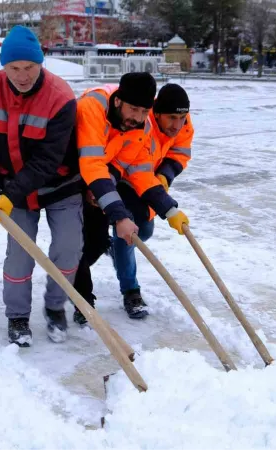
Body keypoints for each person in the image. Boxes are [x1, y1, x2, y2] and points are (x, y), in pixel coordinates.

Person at [0, 26, 81, 347]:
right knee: (20, 254)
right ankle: (18, 316)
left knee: (67, 247)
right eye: (13, 68)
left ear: (41, 64)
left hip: (59, 184)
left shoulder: (61, 97)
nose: (22, 76)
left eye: (29, 68)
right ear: (3, 66)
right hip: (12, 184)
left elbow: (48, 160)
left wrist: (9, 196)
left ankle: (55, 307)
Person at [72, 74, 190, 325]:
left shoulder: (141, 127)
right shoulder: (92, 107)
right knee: (74, 244)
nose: (138, 117)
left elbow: (138, 172)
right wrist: (119, 214)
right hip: (68, 177)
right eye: (134, 109)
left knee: (94, 243)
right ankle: (82, 299)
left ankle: (76, 285)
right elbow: (92, 162)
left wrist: (169, 210)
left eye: (144, 110)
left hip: (99, 181)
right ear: (118, 102)